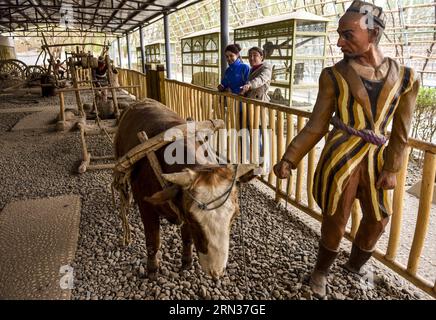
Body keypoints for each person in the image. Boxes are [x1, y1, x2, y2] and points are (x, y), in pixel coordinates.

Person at [273, 0, 419, 298]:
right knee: (335, 217)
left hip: (377, 161)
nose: (339, 42)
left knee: (378, 220)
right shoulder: (333, 75)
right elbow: (316, 125)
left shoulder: (406, 78)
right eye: (339, 34)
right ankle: (321, 271)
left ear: (373, 35)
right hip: (341, 157)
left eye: (347, 34)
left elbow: (402, 133)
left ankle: (354, 266)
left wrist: (392, 168)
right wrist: (290, 157)